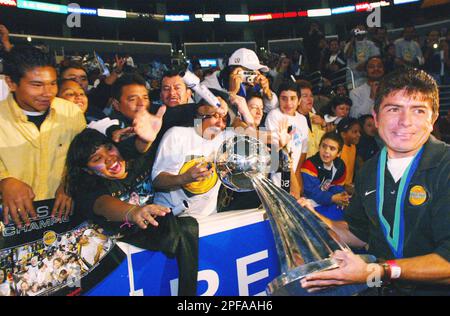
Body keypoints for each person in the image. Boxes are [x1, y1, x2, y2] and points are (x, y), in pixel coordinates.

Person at [300, 68, 450, 295]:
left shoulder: (445, 165)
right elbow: (358, 232)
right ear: (376, 117)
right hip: (379, 288)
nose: (405, 122)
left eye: (418, 111)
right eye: (393, 109)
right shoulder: (369, 170)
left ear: (433, 119)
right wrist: (313, 220)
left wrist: (379, 270)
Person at [66, 107, 199, 296]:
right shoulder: (87, 187)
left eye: (109, 149)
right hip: (116, 256)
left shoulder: (135, 160)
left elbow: (140, 147)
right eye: (97, 159)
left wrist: (146, 138)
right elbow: (103, 204)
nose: (110, 159)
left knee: (186, 225)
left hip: (154, 234)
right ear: (87, 170)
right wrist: (133, 212)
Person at [0, 45, 86, 228]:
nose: (48, 93)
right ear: (11, 83)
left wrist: (70, 183)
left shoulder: (71, 113)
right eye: (37, 85)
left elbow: (85, 156)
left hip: (62, 218)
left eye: (53, 83)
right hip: (10, 224)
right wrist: (4, 181)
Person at [152, 97, 234, 218]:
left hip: (207, 219)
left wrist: (244, 111)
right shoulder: (176, 135)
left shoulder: (226, 138)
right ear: (200, 115)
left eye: (224, 119)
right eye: (215, 116)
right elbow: (157, 181)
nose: (220, 124)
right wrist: (185, 178)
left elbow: (265, 136)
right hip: (170, 217)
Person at [265, 81, 309, 199]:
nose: (288, 103)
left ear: (299, 100)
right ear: (278, 99)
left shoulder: (302, 120)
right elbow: (276, 154)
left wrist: (297, 174)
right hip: (278, 176)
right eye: (284, 98)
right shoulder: (274, 115)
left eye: (293, 98)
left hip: (294, 174)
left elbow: (303, 150)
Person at [202, 48, 278, 114]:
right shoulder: (207, 87)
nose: (252, 75)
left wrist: (267, 94)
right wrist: (231, 93)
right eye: (248, 71)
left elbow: (272, 110)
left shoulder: (255, 86)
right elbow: (221, 116)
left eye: (255, 71)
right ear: (232, 70)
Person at [301, 132, 349, 221]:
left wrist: (341, 196)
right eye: (324, 146)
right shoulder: (309, 165)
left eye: (332, 149)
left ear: (339, 153)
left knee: (344, 211)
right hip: (310, 202)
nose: (326, 151)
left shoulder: (340, 165)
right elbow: (312, 193)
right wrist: (332, 198)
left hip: (328, 200)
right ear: (319, 147)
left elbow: (337, 187)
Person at [336, 117, 361, 192]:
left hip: (348, 186)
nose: (359, 135)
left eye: (359, 132)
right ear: (343, 134)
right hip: (338, 188)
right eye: (355, 132)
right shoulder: (338, 149)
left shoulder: (353, 147)